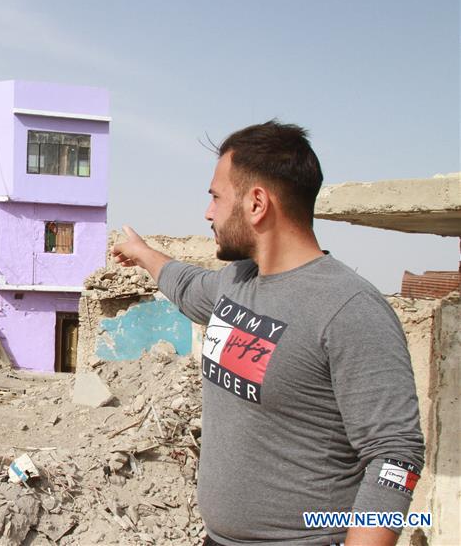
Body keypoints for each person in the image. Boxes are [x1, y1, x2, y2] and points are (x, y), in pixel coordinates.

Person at [111, 121, 424, 546]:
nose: (208, 213)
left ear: (257, 203)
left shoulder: (349, 309)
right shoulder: (236, 282)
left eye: (216, 198)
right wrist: (143, 253)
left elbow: (395, 455)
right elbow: (185, 285)